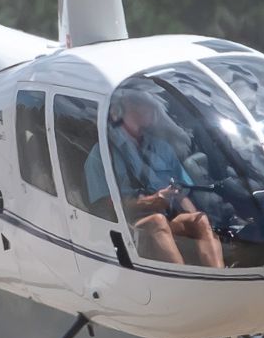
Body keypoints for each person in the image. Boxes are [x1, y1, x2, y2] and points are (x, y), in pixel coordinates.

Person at [87, 86, 223, 268]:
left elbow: (181, 192)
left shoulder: (162, 148)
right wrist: (149, 202)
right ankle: (183, 281)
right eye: (145, 105)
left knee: (200, 220)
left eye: (152, 105)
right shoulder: (102, 154)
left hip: (166, 218)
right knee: (157, 221)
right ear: (123, 109)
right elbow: (105, 206)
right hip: (129, 227)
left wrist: (194, 219)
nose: (153, 110)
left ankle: (216, 276)